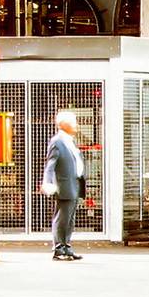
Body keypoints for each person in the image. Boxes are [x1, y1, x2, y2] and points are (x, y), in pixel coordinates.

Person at [41, 109, 86, 260]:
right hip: (65, 185)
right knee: (62, 218)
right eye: (73, 122)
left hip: (74, 184)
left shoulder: (69, 141)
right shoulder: (57, 142)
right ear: (63, 124)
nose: (76, 125)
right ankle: (59, 248)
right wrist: (47, 182)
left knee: (69, 218)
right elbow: (50, 164)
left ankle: (66, 246)